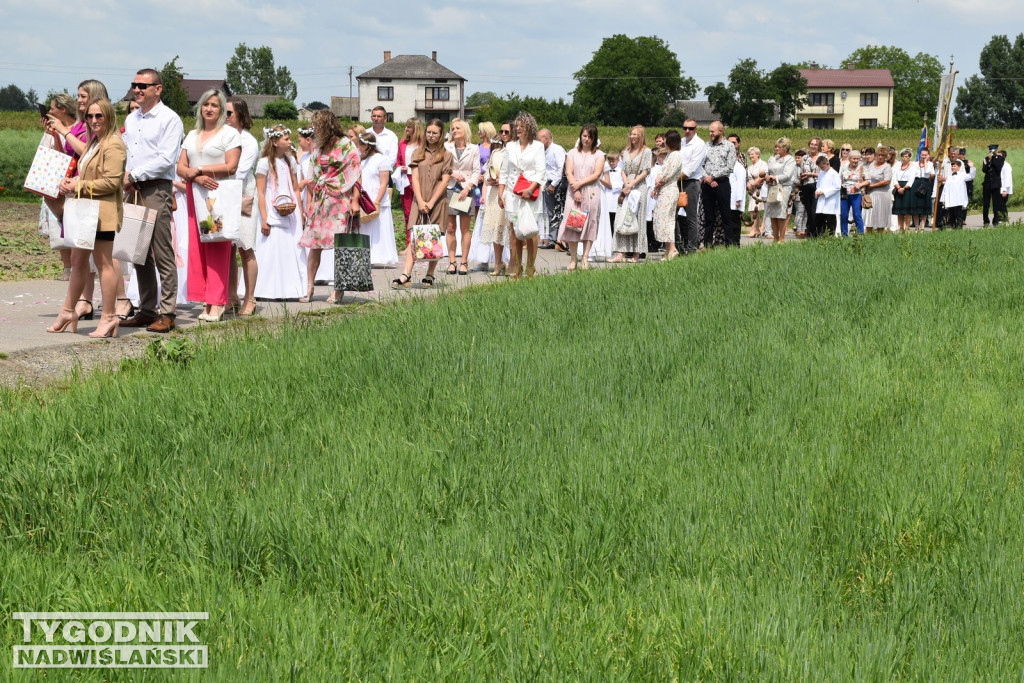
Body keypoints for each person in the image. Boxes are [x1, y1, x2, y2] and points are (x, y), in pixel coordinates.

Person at [48, 98, 126, 338]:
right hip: (85, 212)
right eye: (90, 116)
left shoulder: (113, 144)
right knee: (78, 260)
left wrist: (78, 185)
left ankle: (109, 317)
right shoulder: (94, 142)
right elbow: (84, 170)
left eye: (99, 116)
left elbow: (112, 182)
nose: (93, 121)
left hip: (101, 214)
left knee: (104, 264)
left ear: (109, 117)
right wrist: (68, 181)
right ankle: (67, 310)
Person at [120, 69, 183, 333]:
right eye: (135, 85)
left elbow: (166, 159)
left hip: (156, 188)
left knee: (161, 251)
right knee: (137, 252)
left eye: (143, 85)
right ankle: (147, 309)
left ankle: (167, 312)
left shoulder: (170, 119)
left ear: (158, 89)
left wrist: (133, 173)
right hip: (133, 188)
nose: (137, 89)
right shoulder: (132, 118)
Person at [176, 90, 240, 322]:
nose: (209, 108)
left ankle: (218, 300)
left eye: (214, 105)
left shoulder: (229, 134)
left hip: (217, 197)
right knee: (199, 248)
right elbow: (180, 167)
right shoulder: (192, 134)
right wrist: (194, 177)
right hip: (196, 196)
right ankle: (206, 299)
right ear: (200, 108)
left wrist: (200, 171)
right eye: (205, 104)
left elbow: (231, 166)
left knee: (216, 246)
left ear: (222, 110)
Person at [47, 80, 109, 316]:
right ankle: (85, 301)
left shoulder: (98, 127)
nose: (79, 100)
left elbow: (88, 153)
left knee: (99, 256)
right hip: (74, 189)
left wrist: (64, 131)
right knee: (78, 251)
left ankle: (114, 302)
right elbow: (69, 156)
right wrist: (55, 135)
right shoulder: (80, 125)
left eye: (83, 96)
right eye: (79, 96)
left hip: (90, 190)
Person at [301, 110, 361, 299]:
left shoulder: (346, 145)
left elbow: (357, 174)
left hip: (340, 200)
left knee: (340, 245)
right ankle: (309, 288)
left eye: (318, 126)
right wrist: (309, 204)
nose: (315, 130)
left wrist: (356, 201)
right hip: (320, 200)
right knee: (314, 244)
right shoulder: (317, 147)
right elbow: (312, 177)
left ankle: (339, 288)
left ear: (327, 126)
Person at [392, 118, 452, 288]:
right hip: (419, 200)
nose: (431, 135)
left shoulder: (447, 155)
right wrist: (419, 200)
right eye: (429, 132)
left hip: (438, 200)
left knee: (434, 236)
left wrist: (431, 202)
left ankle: (430, 274)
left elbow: (445, 181)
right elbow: (415, 178)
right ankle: (406, 274)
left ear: (441, 135)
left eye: (435, 133)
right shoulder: (417, 153)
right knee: (414, 236)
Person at [253, 125, 307, 300]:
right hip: (271, 208)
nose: (290, 142)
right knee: (270, 249)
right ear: (275, 142)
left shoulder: (290, 161)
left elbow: (296, 188)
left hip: (290, 210)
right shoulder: (264, 163)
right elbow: (260, 192)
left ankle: (290, 289)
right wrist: (264, 218)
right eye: (286, 139)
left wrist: (300, 211)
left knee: (290, 249)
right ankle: (265, 289)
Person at [498, 112, 545, 278]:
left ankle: (531, 266)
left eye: (521, 126)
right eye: (516, 126)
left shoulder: (538, 146)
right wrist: (501, 192)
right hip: (513, 193)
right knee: (514, 230)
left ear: (529, 127)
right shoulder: (510, 146)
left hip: (530, 194)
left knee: (531, 231)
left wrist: (530, 189)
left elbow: (541, 172)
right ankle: (517, 266)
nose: (517, 128)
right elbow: (504, 170)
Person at [225, 97, 260, 315]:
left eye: (229, 113)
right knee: (226, 248)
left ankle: (250, 297)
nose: (225, 117)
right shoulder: (221, 137)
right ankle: (230, 296)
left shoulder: (249, 141)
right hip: (223, 193)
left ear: (240, 114)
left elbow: (239, 170)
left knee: (245, 247)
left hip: (243, 192)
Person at [41, 92, 79, 282]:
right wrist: (50, 134)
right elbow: (47, 155)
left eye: (52, 108)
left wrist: (59, 132)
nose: (49, 111)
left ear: (62, 109)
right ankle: (67, 267)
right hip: (54, 179)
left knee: (74, 223)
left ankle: (80, 265)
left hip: (73, 180)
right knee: (59, 223)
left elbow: (69, 156)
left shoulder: (77, 129)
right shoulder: (53, 128)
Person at [556, 124, 605, 271]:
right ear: (580, 136)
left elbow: (596, 174)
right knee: (573, 224)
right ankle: (573, 258)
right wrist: (575, 187)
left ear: (594, 138)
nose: (587, 139)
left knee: (589, 223)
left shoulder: (599, 155)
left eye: (590, 137)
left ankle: (585, 257)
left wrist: (579, 185)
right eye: (584, 136)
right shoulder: (571, 153)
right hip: (574, 192)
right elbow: (569, 172)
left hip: (591, 191)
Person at [356, 131, 400, 266]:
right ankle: (368, 256)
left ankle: (382, 257)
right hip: (365, 199)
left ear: (368, 146)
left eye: (360, 145)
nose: (358, 148)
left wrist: (377, 201)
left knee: (380, 230)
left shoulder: (381, 159)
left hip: (377, 199)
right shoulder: (362, 161)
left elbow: (384, 183)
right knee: (367, 228)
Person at [443, 118, 480, 275]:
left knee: (465, 228)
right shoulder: (446, 147)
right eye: (452, 128)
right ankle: (452, 261)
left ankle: (464, 262)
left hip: (465, 191)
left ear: (465, 130)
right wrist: (453, 173)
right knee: (450, 228)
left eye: (458, 128)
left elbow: (477, 171)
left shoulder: (473, 149)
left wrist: (469, 187)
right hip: (450, 188)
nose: (454, 130)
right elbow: (441, 167)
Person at [610, 125, 651, 262]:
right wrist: (626, 184)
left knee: (637, 218)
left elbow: (645, 171)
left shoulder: (646, 152)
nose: (632, 137)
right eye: (631, 134)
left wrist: (631, 185)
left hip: (639, 186)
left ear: (641, 136)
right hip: (627, 185)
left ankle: (636, 253)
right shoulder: (626, 151)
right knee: (621, 217)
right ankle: (620, 252)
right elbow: (622, 169)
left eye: (635, 134)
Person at [700, 121, 737, 248]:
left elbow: (729, 167)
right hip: (707, 184)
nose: (710, 134)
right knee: (708, 217)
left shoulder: (729, 146)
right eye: (710, 131)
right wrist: (707, 178)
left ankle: (729, 244)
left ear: (721, 131)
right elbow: (701, 165)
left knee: (726, 215)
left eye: (712, 131)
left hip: (722, 184)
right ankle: (707, 245)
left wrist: (713, 176)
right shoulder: (705, 146)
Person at [479, 130, 511, 276]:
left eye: (507, 131)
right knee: (495, 228)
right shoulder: (496, 153)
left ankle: (513, 263)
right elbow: (487, 172)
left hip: (509, 192)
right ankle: (498, 263)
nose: (503, 134)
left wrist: (503, 181)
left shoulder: (516, 152)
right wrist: (490, 180)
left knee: (510, 230)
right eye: (502, 131)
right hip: (494, 194)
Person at [651, 129, 683, 260]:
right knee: (662, 218)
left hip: (669, 189)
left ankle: (672, 249)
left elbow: (667, 173)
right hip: (664, 189)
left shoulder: (675, 155)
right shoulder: (670, 154)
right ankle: (668, 250)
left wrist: (657, 185)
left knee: (666, 219)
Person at [677, 119, 707, 253]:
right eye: (685, 128)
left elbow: (692, 168)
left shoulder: (699, 144)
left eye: (690, 128)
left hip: (690, 182)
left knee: (691, 217)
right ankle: (678, 245)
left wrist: (673, 178)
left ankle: (692, 246)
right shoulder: (681, 142)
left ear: (696, 129)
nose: (687, 131)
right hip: (677, 181)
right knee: (673, 216)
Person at [764, 138, 797, 243]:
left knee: (780, 213)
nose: (776, 148)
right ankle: (775, 238)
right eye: (776, 146)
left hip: (783, 187)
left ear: (786, 148)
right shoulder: (774, 158)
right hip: (772, 187)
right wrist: (767, 178)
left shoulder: (790, 159)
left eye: (779, 147)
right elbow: (768, 171)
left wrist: (773, 177)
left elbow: (787, 175)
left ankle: (781, 239)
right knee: (772, 213)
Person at [537, 128, 566, 248]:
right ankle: (552, 238)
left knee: (558, 211)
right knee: (549, 212)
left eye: (539, 139)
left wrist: (553, 184)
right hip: (547, 183)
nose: (537, 142)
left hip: (556, 183)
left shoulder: (557, 149)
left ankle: (560, 239)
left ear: (546, 138)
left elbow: (561, 169)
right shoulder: (542, 151)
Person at [396, 118, 423, 231]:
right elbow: (398, 161)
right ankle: (409, 244)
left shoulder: (422, 143)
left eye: (409, 127)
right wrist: (400, 168)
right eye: (406, 126)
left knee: (421, 210)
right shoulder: (402, 143)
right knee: (408, 213)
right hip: (405, 181)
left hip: (419, 180)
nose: (406, 128)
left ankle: (421, 242)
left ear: (415, 129)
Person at [797, 137, 825, 237]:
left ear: (819, 146)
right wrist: (803, 175)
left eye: (816, 145)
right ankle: (810, 232)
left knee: (815, 210)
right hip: (806, 185)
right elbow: (802, 170)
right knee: (809, 211)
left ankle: (816, 233)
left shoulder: (822, 156)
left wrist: (811, 174)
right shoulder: (805, 157)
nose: (813, 146)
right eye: (812, 144)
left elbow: (825, 173)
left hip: (817, 185)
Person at [863, 145, 893, 234]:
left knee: (881, 216)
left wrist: (872, 186)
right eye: (879, 155)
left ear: (886, 157)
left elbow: (886, 181)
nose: (880, 157)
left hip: (882, 194)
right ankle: (868, 234)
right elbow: (866, 175)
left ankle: (880, 236)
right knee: (870, 215)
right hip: (871, 194)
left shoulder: (887, 167)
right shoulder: (871, 165)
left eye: (883, 155)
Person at [891, 148, 919, 233]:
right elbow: (894, 177)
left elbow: (911, 179)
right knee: (899, 210)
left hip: (907, 189)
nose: (904, 158)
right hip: (898, 187)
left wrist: (904, 188)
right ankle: (900, 228)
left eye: (906, 156)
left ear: (910, 157)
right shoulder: (897, 167)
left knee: (907, 210)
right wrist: (898, 187)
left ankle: (907, 228)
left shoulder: (913, 167)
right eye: (903, 156)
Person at [813, 155, 840, 238]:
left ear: (827, 163)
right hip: (821, 200)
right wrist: (817, 191)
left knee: (830, 219)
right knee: (819, 219)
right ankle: (818, 236)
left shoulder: (834, 174)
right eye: (820, 167)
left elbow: (837, 187)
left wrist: (824, 192)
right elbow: (819, 185)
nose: (821, 169)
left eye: (822, 166)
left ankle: (831, 236)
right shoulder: (821, 173)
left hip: (830, 200)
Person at [839, 149, 866, 236]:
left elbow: (868, 181)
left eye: (857, 159)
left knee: (857, 214)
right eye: (854, 158)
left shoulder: (862, 168)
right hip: (845, 194)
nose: (855, 160)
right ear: (849, 159)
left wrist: (860, 184)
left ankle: (860, 235)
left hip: (856, 194)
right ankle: (844, 235)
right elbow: (839, 179)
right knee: (843, 215)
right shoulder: (843, 168)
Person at [746, 146, 768, 238]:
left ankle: (755, 229)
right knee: (752, 208)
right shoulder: (749, 167)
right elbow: (747, 178)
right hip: (752, 190)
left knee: (756, 208)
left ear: (758, 154)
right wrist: (749, 186)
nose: (751, 156)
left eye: (752, 154)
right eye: (749, 154)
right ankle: (757, 229)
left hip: (760, 189)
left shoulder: (763, 164)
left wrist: (753, 184)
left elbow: (762, 176)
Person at [911, 147, 935, 231]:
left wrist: (925, 162)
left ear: (928, 155)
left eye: (925, 155)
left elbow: (929, 173)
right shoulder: (914, 164)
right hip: (916, 183)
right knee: (916, 208)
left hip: (925, 184)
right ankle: (916, 227)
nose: (923, 156)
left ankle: (922, 228)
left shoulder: (930, 164)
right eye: (922, 155)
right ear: (919, 155)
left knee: (924, 209)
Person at [368, 106, 398, 172]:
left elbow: (393, 158)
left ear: (385, 119)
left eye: (379, 116)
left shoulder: (391, 136)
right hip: (368, 173)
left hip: (385, 173)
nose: (376, 118)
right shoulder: (365, 133)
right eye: (374, 116)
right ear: (371, 118)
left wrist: (383, 170)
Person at [728, 134, 747, 241]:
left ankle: (735, 243)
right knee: (730, 223)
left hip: (735, 200)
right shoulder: (730, 166)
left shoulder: (739, 167)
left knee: (735, 223)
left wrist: (738, 199)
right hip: (729, 198)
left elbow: (740, 184)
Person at [941, 159, 968, 228]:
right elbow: (945, 188)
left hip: (958, 199)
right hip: (951, 198)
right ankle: (952, 226)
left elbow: (971, 176)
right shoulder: (949, 176)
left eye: (954, 166)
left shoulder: (962, 175)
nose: (953, 167)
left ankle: (959, 227)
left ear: (959, 167)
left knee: (958, 214)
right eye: (952, 166)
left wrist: (972, 168)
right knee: (951, 214)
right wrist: (943, 199)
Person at [982, 144, 1005, 226]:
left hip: (996, 184)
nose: (992, 152)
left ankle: (996, 220)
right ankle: (985, 220)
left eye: (994, 151)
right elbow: (984, 170)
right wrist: (989, 161)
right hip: (987, 184)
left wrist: (994, 159)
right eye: (991, 151)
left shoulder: (1000, 158)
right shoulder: (986, 159)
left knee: (996, 204)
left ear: (996, 151)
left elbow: (998, 168)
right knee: (986, 203)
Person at [997, 150, 1013, 223]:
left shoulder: (1006, 166)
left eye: (999, 156)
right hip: (999, 188)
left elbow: (1007, 179)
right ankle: (1000, 218)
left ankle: (1004, 220)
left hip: (1004, 189)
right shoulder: (999, 165)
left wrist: (1004, 190)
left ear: (1003, 157)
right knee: (999, 204)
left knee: (1002, 205)